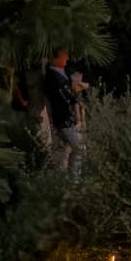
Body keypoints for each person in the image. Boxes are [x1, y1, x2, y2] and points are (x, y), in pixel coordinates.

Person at [43, 48, 87, 180]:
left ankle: (72, 178)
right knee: (78, 148)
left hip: (67, 118)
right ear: (56, 58)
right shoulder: (54, 77)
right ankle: (74, 180)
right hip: (64, 119)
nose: (67, 59)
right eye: (64, 56)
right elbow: (65, 98)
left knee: (74, 148)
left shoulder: (61, 74)